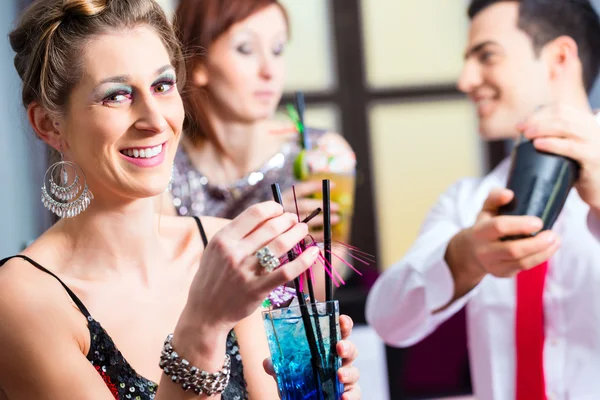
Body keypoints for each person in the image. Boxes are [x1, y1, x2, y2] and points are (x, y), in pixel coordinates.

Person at [0, 1, 361, 399]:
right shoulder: (22, 299)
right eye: (117, 95)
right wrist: (204, 325)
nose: (156, 120)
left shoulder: (227, 251)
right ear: (49, 124)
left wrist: (325, 391)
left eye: (162, 86)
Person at [366, 1, 600, 399]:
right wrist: (463, 258)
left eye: (486, 55)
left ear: (559, 57)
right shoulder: (466, 201)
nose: (465, 80)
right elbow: (387, 320)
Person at [162, 0, 356, 253]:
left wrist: (301, 239)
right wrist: (260, 233)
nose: (269, 70)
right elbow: (161, 281)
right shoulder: (163, 161)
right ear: (198, 63)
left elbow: (323, 285)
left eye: (277, 49)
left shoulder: (321, 153)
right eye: (246, 49)